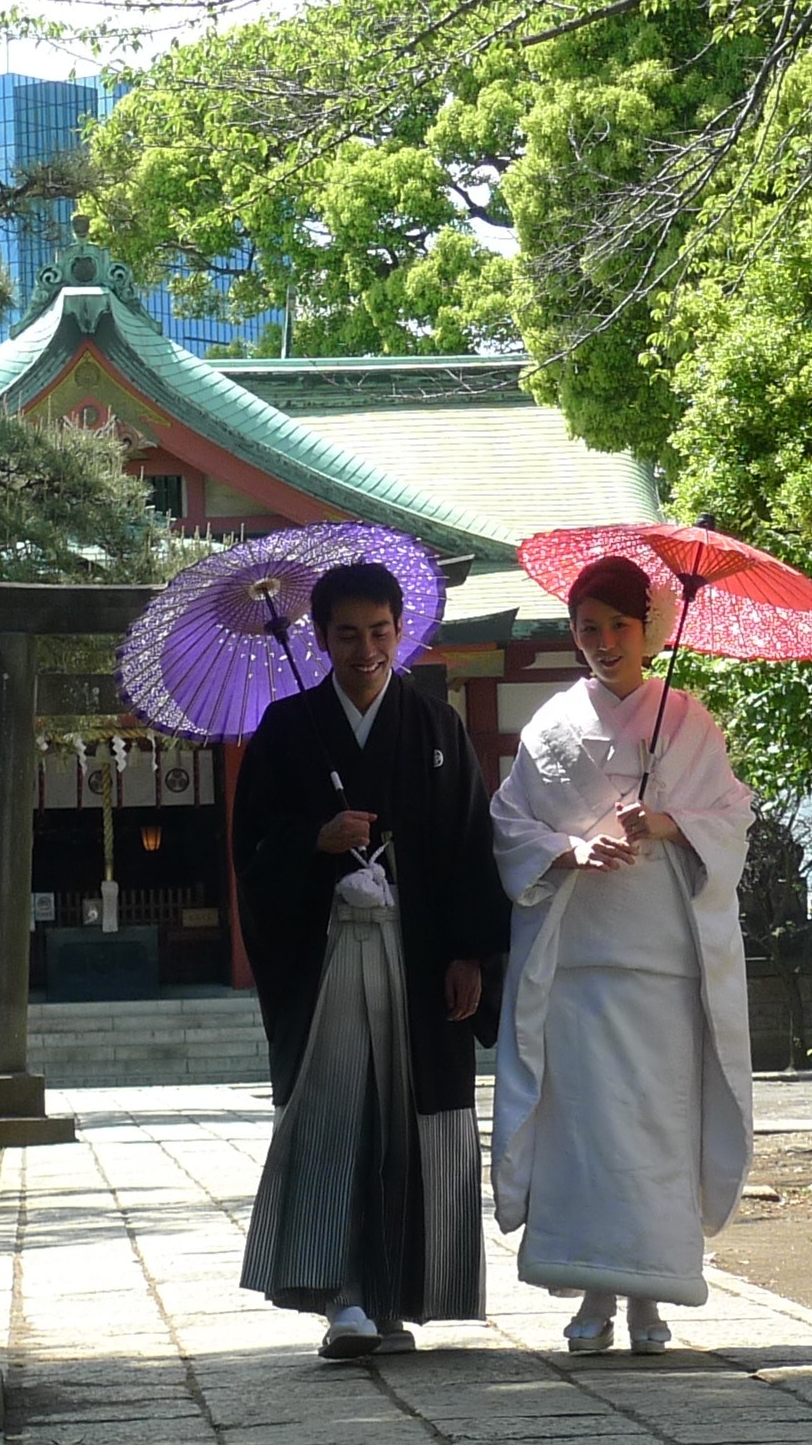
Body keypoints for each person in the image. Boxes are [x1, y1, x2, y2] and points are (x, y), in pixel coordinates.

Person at [233, 559, 507, 1362]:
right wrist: (312, 841)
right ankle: (342, 1294)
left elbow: (468, 846)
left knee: (411, 1119)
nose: (365, 650)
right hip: (328, 963)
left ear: (401, 632)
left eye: (381, 632)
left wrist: (469, 954)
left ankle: (398, 1296)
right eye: (347, 634)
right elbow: (251, 852)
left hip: (419, 959)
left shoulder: (437, 727)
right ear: (318, 639)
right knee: (338, 1112)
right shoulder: (286, 731)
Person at [489, 554, 754, 1354]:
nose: (603, 642)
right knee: (585, 1132)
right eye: (588, 627)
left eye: (618, 626)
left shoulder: (688, 720)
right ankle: (593, 1295)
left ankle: (650, 1300)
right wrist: (569, 848)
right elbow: (509, 823)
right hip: (580, 960)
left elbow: (732, 815)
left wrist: (669, 823)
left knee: (656, 1128)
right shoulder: (549, 726)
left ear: (650, 630)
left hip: (661, 959)